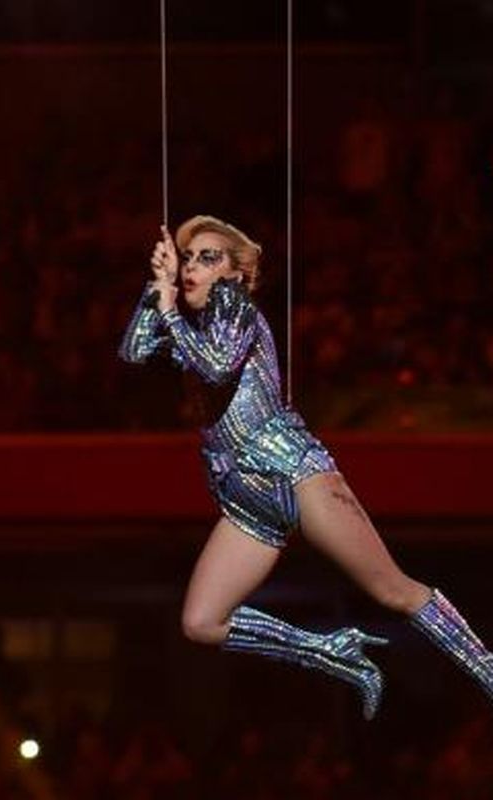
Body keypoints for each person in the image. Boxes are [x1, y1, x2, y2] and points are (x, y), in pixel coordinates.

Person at [117, 214, 493, 719]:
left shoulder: (235, 307)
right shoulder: (193, 324)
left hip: (293, 473)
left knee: (392, 589)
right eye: (188, 257)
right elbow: (134, 352)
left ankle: (487, 669)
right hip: (244, 500)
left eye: (209, 258)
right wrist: (156, 289)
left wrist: (169, 311)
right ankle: (328, 650)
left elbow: (217, 365)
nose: (192, 267)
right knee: (202, 621)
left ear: (236, 273)